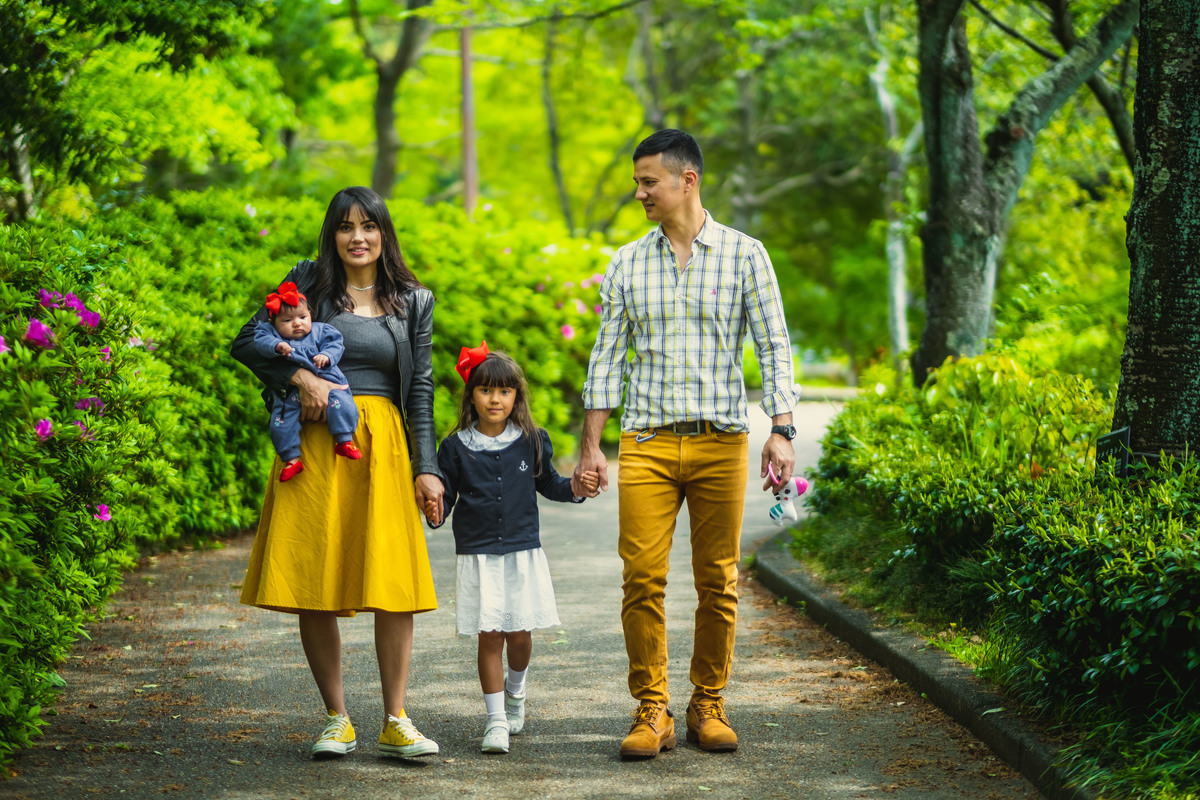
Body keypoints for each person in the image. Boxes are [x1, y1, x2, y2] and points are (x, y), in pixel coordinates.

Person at [573, 129, 798, 759]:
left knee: (717, 581)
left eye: (650, 181)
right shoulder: (626, 261)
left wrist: (781, 429)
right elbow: (606, 357)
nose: (639, 192)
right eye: (638, 181)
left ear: (687, 181)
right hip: (645, 440)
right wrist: (591, 447)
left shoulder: (745, 254)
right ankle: (652, 710)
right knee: (641, 579)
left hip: (721, 440)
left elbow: (775, 344)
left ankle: (708, 702)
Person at [230, 186, 446, 761]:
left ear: (383, 233)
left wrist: (428, 469)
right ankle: (337, 718)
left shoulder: (414, 300)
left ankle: (396, 718)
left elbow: (420, 387)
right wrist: (302, 381)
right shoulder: (308, 284)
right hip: (316, 445)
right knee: (315, 576)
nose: (358, 237)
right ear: (333, 234)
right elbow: (247, 343)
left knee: (394, 581)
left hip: (385, 446)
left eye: (368, 226)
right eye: (346, 226)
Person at [431, 343, 598, 755]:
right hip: (478, 554)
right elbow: (445, 499)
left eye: (505, 391)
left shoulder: (531, 440)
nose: (495, 399)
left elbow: (551, 484)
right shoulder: (454, 447)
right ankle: (495, 721)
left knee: (519, 635)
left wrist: (575, 488)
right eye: (486, 390)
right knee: (490, 636)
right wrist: (435, 510)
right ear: (472, 395)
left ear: (516, 397)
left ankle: (516, 692)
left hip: (523, 552)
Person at [250, 280, 363, 482]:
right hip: (290, 394)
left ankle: (344, 439)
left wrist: (327, 356)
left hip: (329, 383)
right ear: (274, 323)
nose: (297, 323)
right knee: (280, 421)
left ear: (310, 314)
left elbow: (336, 344)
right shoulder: (272, 334)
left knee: (343, 404)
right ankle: (291, 459)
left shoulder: (321, 331)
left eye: (303, 317)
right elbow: (258, 338)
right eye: (286, 320)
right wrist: (276, 345)